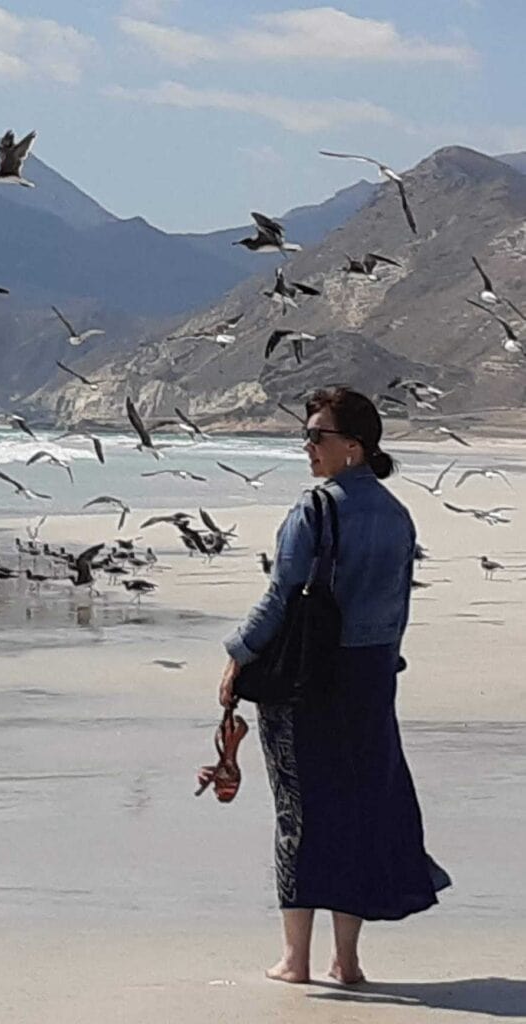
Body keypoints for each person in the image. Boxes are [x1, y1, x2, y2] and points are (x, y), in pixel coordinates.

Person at [216, 387, 450, 985]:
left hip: (308, 679)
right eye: (307, 436)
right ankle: (347, 961)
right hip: (371, 677)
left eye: (317, 436)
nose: (307, 447)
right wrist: (386, 666)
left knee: (300, 812)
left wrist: (237, 656)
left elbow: (279, 598)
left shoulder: (315, 509)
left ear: (353, 447)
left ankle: (297, 960)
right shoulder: (398, 515)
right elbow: (398, 608)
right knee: (357, 811)